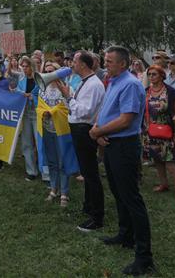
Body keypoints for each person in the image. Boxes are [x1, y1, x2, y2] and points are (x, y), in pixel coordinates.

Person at [89, 45, 155, 276]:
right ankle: (125, 234)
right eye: (105, 60)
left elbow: (126, 119)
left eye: (109, 61)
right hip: (111, 144)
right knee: (118, 192)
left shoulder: (130, 84)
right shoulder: (114, 80)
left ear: (123, 64)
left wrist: (98, 132)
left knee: (131, 198)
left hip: (125, 146)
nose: (104, 64)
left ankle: (144, 256)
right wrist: (99, 128)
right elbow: (108, 110)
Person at [66, 50, 106, 232]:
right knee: (86, 170)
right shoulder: (86, 82)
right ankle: (89, 205)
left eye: (74, 61)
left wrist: (68, 97)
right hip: (79, 129)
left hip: (84, 130)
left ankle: (97, 217)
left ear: (83, 64)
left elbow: (85, 111)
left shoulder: (94, 85)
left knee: (90, 173)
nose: (72, 64)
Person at [37, 61, 79, 207]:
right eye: (46, 71)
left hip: (62, 131)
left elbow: (69, 108)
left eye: (52, 71)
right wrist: (44, 113)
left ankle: (65, 193)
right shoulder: (43, 89)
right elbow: (39, 107)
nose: (48, 74)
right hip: (47, 129)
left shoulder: (67, 89)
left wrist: (54, 112)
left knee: (63, 162)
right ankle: (54, 189)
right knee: (52, 161)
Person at [143, 65, 175, 204]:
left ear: (162, 75)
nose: (151, 77)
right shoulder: (146, 91)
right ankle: (164, 184)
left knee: (170, 162)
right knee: (157, 159)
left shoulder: (171, 92)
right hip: (150, 132)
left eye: (154, 74)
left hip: (167, 132)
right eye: (149, 74)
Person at [16, 56, 41, 180]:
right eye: (23, 66)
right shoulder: (21, 80)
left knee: (40, 142)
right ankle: (31, 171)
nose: (24, 69)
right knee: (26, 143)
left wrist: (32, 97)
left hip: (37, 113)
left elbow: (43, 95)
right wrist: (22, 94)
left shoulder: (39, 80)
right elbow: (17, 91)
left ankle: (45, 171)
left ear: (32, 66)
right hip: (25, 113)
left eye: (26, 66)